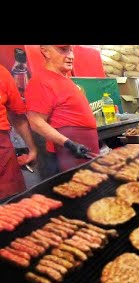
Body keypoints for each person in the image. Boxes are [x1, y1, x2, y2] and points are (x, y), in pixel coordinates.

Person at [25, 45, 97, 173]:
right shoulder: (41, 81)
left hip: (83, 149)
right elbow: (36, 122)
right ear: (46, 51)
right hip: (69, 153)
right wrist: (69, 144)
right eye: (63, 50)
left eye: (71, 51)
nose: (71, 56)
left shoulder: (65, 79)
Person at [0, 64, 37, 201]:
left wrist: (32, 149)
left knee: (13, 207)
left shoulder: (2, 73)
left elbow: (17, 115)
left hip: (2, 154)